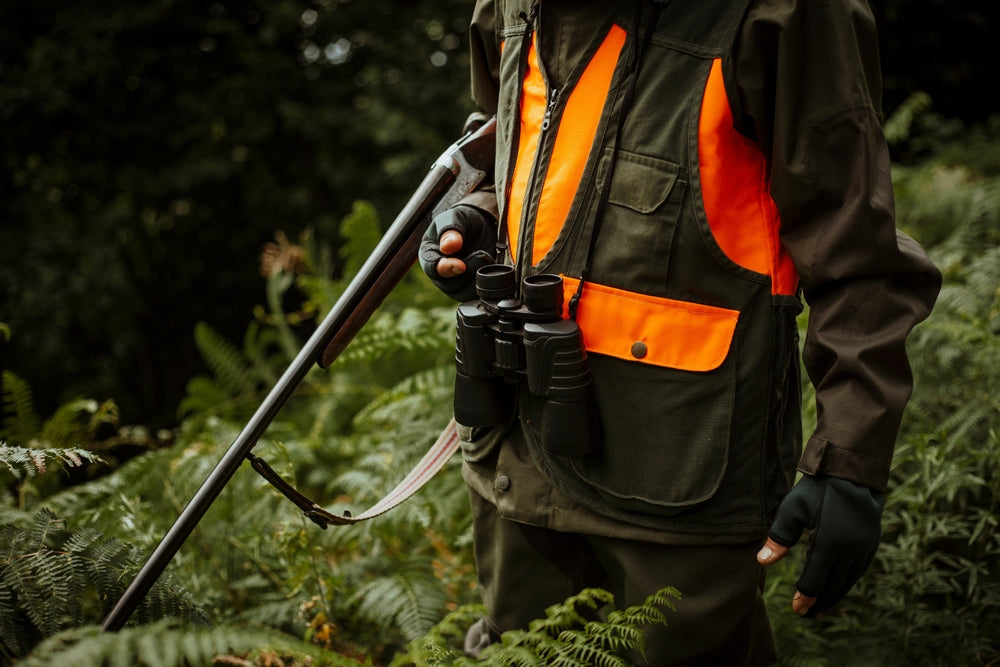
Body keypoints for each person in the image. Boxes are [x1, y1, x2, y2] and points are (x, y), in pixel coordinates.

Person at [419, 0, 942, 663]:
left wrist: (851, 457)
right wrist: (476, 211)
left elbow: (858, 254)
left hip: (681, 481)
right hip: (512, 457)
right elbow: (504, 140)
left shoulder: (789, 12)